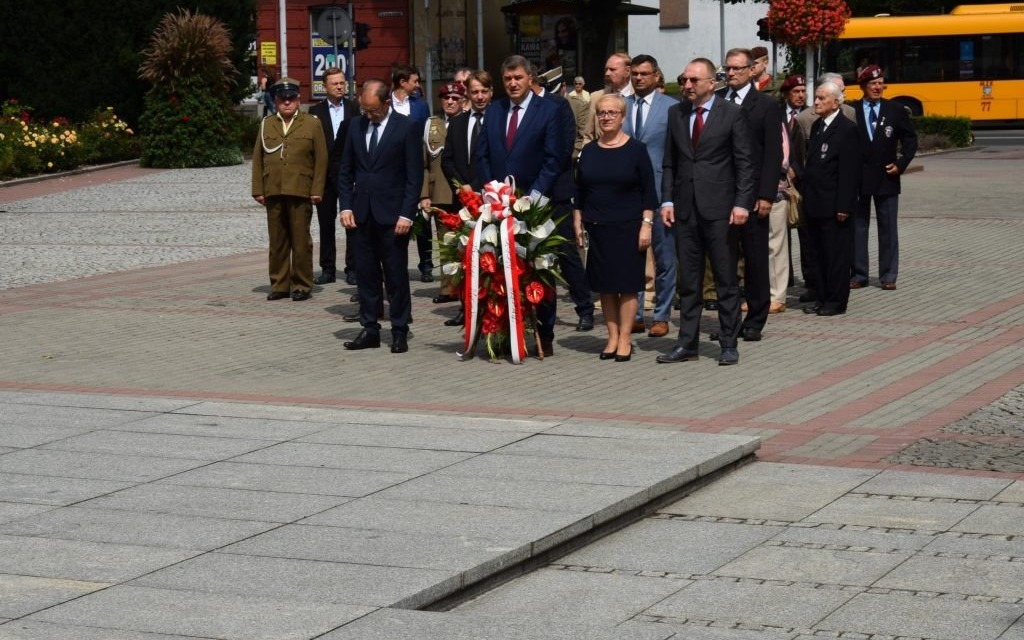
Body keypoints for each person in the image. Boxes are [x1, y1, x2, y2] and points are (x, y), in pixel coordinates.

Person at [656, 58, 755, 366]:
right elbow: (670, 162)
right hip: (685, 210)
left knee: (725, 279)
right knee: (689, 282)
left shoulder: (732, 113)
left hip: (720, 210)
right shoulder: (676, 113)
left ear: (712, 83)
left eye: (693, 80)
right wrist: (667, 201)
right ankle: (687, 344)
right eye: (684, 80)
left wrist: (741, 203)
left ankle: (728, 342)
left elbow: (744, 162)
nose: (687, 85)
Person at [474, 54, 569, 357]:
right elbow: (482, 154)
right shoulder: (495, 110)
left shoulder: (549, 110)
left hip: (535, 204)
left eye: (518, 78)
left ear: (530, 79)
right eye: (508, 79)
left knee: (538, 269)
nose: (513, 83)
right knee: (499, 270)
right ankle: (505, 333)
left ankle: (543, 334)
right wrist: (492, 191)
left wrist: (534, 198)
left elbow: (554, 158)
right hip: (499, 204)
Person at [337, 79, 424, 353]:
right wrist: (345, 206)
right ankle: (370, 328)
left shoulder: (407, 127)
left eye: (373, 110)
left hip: (393, 216)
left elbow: (414, 176)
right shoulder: (355, 126)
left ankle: (399, 329)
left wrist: (407, 214)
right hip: (361, 214)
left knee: (395, 275)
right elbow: (345, 171)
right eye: (365, 110)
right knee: (366, 274)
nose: (369, 115)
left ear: (387, 103)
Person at [574, 93, 656, 361]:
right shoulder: (589, 151)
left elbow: (649, 192)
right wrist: (578, 220)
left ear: (623, 117)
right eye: (601, 113)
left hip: (629, 227)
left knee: (627, 285)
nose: (606, 117)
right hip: (597, 226)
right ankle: (611, 336)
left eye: (612, 113)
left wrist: (646, 225)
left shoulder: (636, 149)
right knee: (606, 286)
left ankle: (625, 338)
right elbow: (580, 191)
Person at [717, 48, 784, 342]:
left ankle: (756, 318)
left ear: (750, 70)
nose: (731, 73)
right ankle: (729, 321)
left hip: (755, 195)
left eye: (737, 68)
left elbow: (773, 153)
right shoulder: (718, 100)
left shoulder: (766, 105)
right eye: (728, 68)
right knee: (725, 260)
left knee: (755, 260)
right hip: (722, 194)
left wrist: (767, 194)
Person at [531, 63, 596, 333]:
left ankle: (585, 308)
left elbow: (565, 147)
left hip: (555, 191)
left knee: (566, 252)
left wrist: (542, 182)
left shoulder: (558, 105)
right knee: (534, 255)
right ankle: (538, 310)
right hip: (528, 193)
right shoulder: (519, 109)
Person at [251, 78, 327, 302]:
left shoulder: (311, 123)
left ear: (298, 99)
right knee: (277, 241)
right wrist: (258, 189)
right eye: (282, 99)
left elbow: (321, 159)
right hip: (273, 189)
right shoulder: (266, 124)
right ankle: (279, 284)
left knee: (301, 241)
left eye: (291, 98)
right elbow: (258, 158)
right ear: (275, 101)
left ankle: (302, 284)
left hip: (301, 189)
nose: (287, 102)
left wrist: (317, 189)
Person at [794, 81, 860, 316]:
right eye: (816, 97)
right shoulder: (818, 126)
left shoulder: (847, 129)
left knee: (836, 256)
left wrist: (844, 206)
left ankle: (836, 301)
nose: (816, 102)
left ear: (836, 102)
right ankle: (821, 297)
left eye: (822, 98)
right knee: (818, 254)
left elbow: (849, 172)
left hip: (834, 206)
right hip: (815, 203)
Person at [623, 54, 676, 339]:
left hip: (660, 191)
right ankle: (634, 315)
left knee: (665, 258)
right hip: (628, 193)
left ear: (656, 76)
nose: (639, 78)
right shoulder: (622, 106)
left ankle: (662, 315)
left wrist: (672, 195)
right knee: (633, 256)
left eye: (644, 74)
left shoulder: (672, 107)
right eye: (635, 74)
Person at [851, 64, 918, 291]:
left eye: (881, 84)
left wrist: (901, 164)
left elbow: (910, 140)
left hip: (886, 177)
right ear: (863, 86)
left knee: (888, 228)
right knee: (858, 227)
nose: (878, 87)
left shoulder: (895, 110)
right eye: (873, 84)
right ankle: (859, 274)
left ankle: (888, 275)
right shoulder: (851, 111)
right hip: (858, 179)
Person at [440, 70, 493, 328]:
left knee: (490, 255)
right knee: (463, 255)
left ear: (491, 92)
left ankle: (491, 307)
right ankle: (466, 308)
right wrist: (463, 187)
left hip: (491, 197)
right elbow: (447, 160)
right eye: (474, 92)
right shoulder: (458, 123)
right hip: (462, 199)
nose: (479, 97)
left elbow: (498, 158)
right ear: (467, 95)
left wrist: (479, 186)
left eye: (484, 91)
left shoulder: (498, 120)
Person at [308, 67, 358, 286]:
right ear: (325, 86)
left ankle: (353, 268)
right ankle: (327, 268)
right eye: (335, 84)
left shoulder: (354, 108)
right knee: (325, 223)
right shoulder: (315, 111)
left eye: (342, 83)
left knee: (352, 222)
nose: (339, 87)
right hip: (325, 175)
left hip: (349, 173)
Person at [420, 82, 465, 312]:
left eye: (455, 98)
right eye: (446, 98)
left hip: (464, 193)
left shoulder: (468, 122)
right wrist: (424, 195)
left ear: (463, 101)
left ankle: (466, 287)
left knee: (465, 244)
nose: (450, 102)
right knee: (445, 244)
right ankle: (448, 288)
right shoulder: (432, 125)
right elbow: (424, 164)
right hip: (440, 193)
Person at [389, 64, 434, 283]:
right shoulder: (386, 104)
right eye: (414, 81)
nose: (417, 85)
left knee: (422, 218)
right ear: (402, 82)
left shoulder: (420, 106)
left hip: (416, 165)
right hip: (392, 168)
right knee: (396, 219)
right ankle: (397, 265)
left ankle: (426, 264)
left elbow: (427, 137)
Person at [584, 53, 633, 144]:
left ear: (627, 71)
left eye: (612, 69)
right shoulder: (596, 97)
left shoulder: (639, 98)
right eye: (606, 69)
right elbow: (588, 136)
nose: (607, 73)